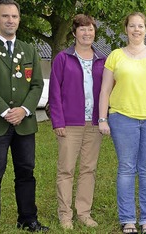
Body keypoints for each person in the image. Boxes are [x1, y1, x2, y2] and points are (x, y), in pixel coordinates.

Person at [98, 12, 146, 234]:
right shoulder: (115, 56)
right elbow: (105, 90)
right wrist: (102, 118)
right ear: (126, 29)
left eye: (140, 26)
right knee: (126, 169)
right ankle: (128, 220)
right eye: (132, 26)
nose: (136, 30)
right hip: (122, 118)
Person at [0, 0, 49, 233]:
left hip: (24, 123)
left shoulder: (28, 49)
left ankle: (28, 219)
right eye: (5, 16)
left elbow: (37, 84)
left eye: (14, 16)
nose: (10, 20)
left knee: (26, 172)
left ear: (19, 20)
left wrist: (24, 110)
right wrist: (4, 111)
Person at [48, 13, 105, 230]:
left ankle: (84, 213)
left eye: (90, 29)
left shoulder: (102, 60)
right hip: (69, 124)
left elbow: (107, 92)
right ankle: (65, 215)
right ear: (74, 33)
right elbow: (54, 92)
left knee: (88, 170)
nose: (87, 33)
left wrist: (103, 118)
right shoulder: (63, 58)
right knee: (66, 170)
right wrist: (58, 121)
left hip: (94, 124)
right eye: (82, 29)